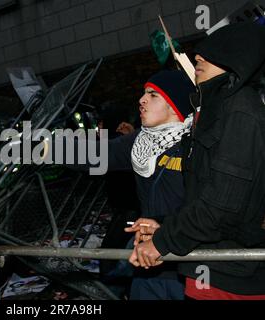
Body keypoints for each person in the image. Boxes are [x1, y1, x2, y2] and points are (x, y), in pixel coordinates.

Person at [127, 21, 265, 300]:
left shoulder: (241, 111)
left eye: (212, 52)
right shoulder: (217, 109)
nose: (198, 57)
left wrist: (162, 242)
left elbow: (223, 207)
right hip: (206, 269)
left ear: (238, 57)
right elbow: (202, 196)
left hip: (230, 279)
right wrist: (165, 225)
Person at [49, 70, 195, 299]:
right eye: (144, 93)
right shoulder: (141, 142)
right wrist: (44, 148)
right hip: (149, 266)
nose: (142, 99)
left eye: (153, 95)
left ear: (174, 105)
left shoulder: (199, 144)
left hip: (190, 265)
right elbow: (97, 154)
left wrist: (165, 225)